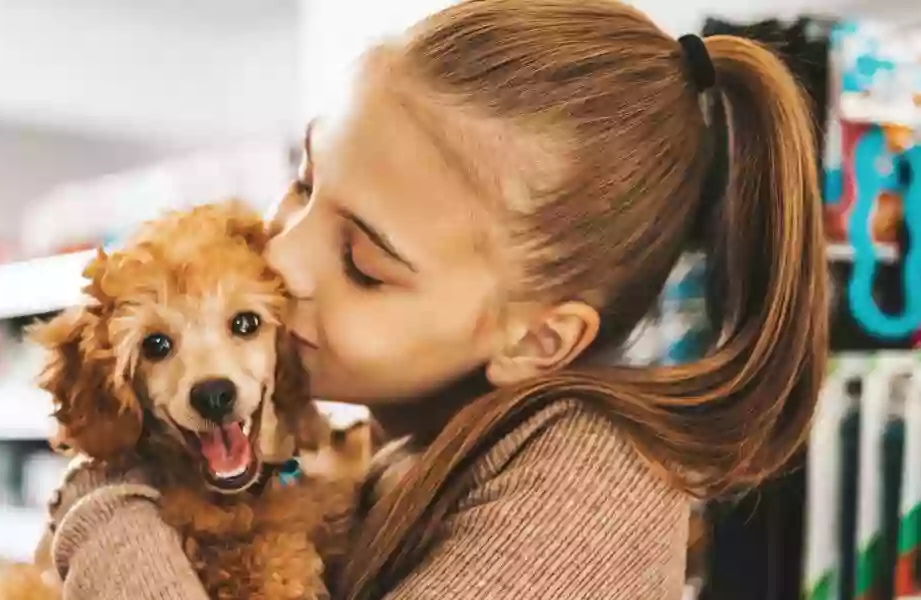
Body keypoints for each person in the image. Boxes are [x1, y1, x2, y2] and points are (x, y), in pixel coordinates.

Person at [45, 1, 828, 598]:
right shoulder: (388, 442)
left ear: (535, 342)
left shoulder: (591, 478)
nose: (282, 256)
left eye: (361, 262)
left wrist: (108, 502)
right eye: (305, 182)